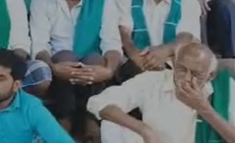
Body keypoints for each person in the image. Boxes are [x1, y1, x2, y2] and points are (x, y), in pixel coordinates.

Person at [29, 0, 122, 138]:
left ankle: (90, 122)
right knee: (66, 57)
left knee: (95, 60)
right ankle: (66, 120)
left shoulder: (104, 0)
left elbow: (111, 43)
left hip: (92, 68)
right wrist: (53, 67)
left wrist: (108, 70)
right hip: (58, 66)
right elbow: (39, 43)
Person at [88, 42, 235, 143]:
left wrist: (204, 109)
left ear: (210, 76)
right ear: (173, 64)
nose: (187, 78)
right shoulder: (153, 81)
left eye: (196, 73)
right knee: (111, 126)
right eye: (182, 69)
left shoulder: (225, 88)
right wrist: (144, 130)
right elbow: (99, 102)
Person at [115, 0, 202, 80]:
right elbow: (124, 34)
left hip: (172, 61)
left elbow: (185, 37)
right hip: (134, 61)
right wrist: (137, 58)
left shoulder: (189, 3)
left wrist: (162, 52)